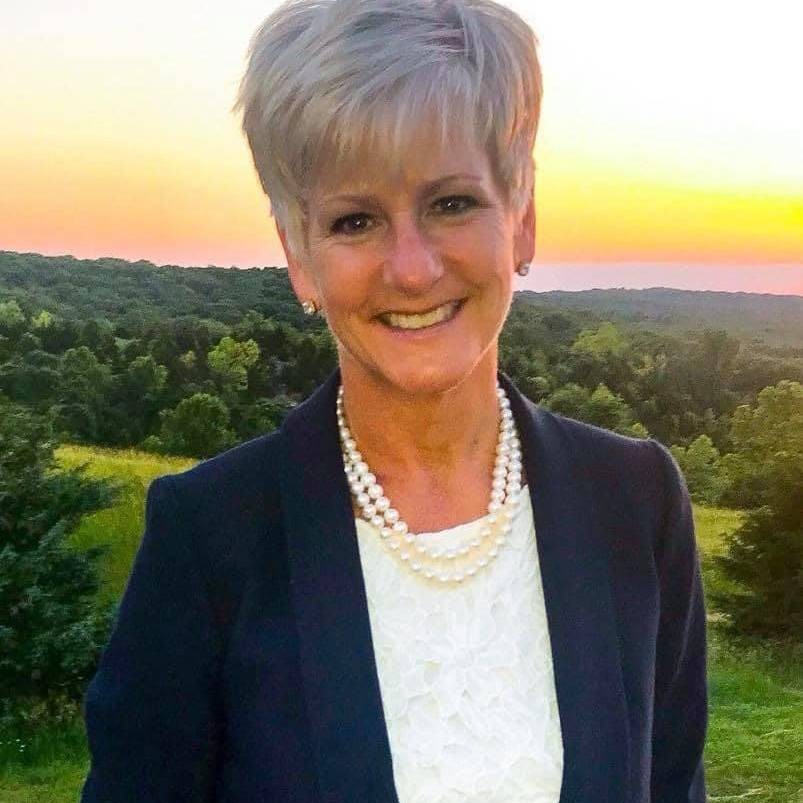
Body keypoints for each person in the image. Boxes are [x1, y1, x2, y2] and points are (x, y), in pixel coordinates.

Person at [80, 0, 708, 801]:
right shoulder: (208, 539)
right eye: (355, 220)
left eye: (451, 203)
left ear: (520, 219)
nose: (412, 269)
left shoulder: (636, 501)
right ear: (299, 255)